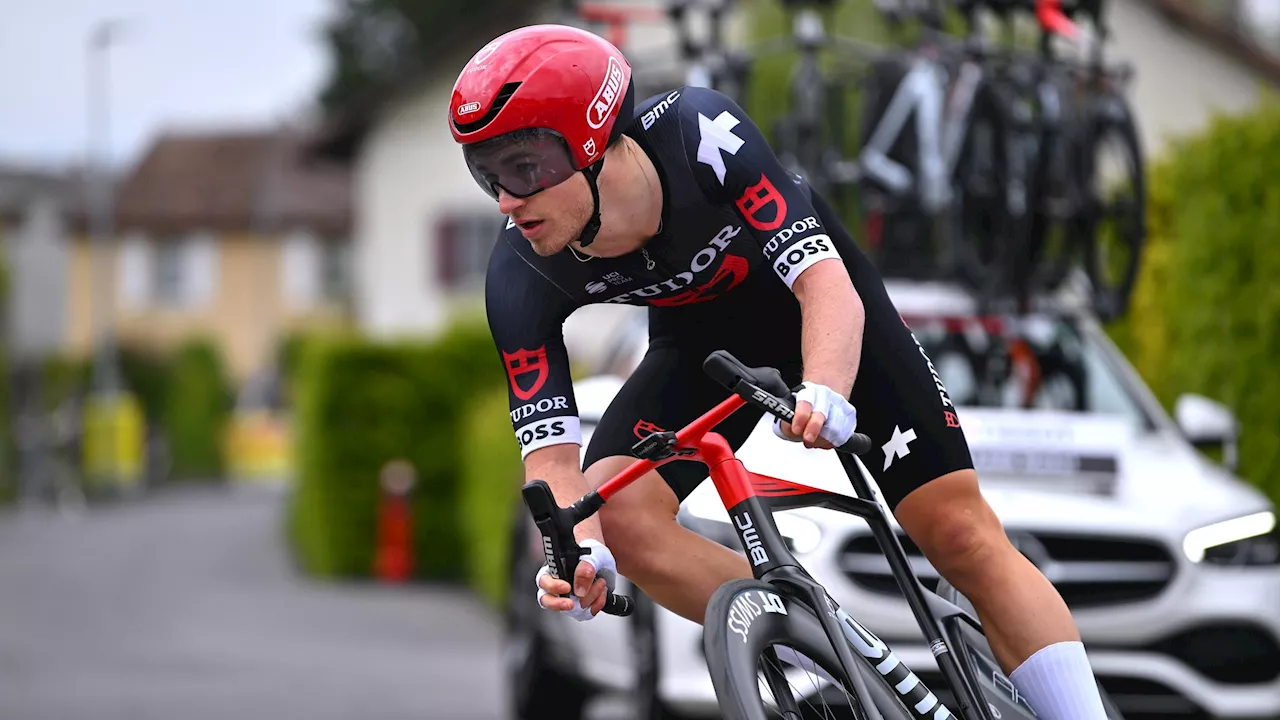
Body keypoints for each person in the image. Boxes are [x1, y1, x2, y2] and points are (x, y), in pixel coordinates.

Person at [449, 24, 1107, 720]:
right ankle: (834, 659)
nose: (505, 200)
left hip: (820, 310)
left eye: (522, 168)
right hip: (705, 344)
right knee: (622, 519)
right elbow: (552, 462)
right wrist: (579, 551)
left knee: (958, 533)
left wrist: (826, 384)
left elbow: (823, 282)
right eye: (486, 174)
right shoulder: (519, 272)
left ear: (589, 142)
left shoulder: (701, 135)